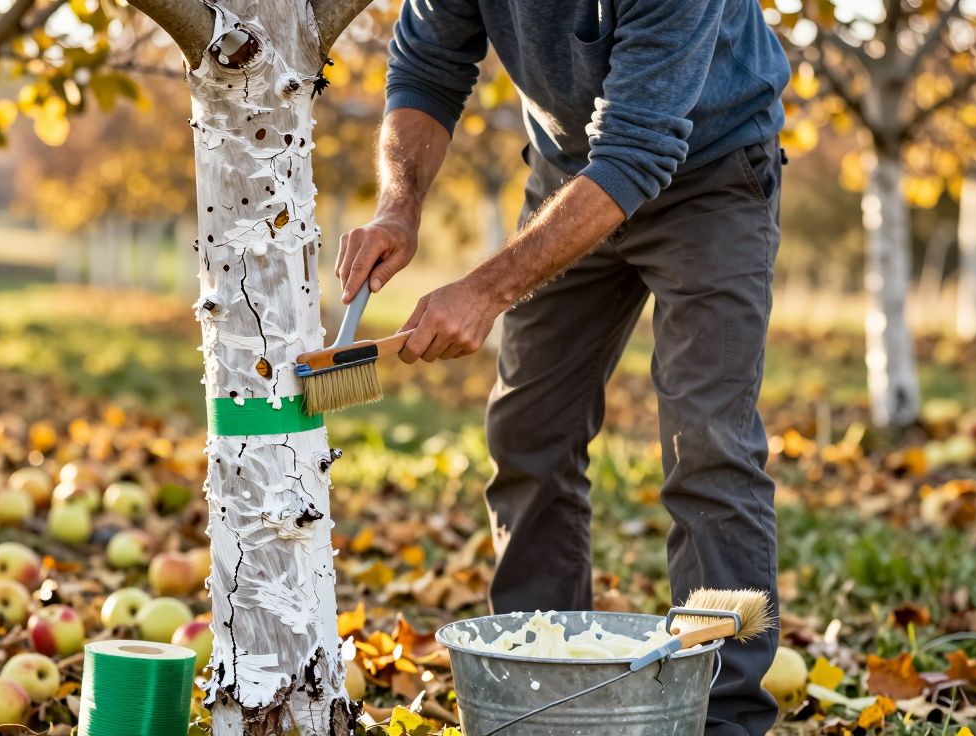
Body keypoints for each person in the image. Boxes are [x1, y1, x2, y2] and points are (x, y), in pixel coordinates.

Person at [335, 1, 791, 733]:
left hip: (711, 172)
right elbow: (426, 66)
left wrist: (486, 289)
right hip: (571, 171)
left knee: (708, 443)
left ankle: (721, 715)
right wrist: (399, 205)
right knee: (529, 433)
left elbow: (638, 149)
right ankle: (539, 687)